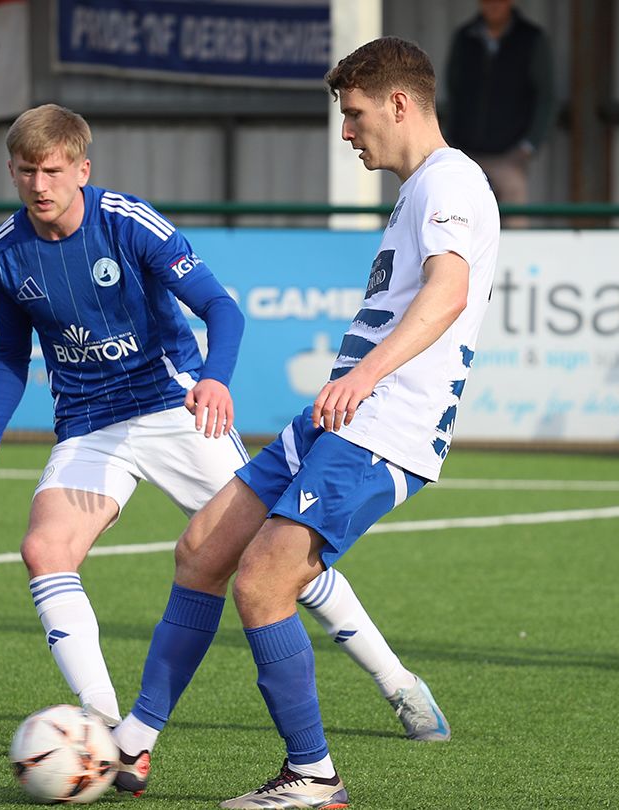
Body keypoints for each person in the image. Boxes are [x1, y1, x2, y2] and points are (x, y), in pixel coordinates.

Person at [0, 104, 443, 736]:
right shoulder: (2, 255)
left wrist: (213, 378)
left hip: (176, 411)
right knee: (44, 549)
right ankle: (100, 722)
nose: (39, 185)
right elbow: (8, 354)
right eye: (26, 172)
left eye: (52, 170)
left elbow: (221, 307)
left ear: (83, 168)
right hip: (89, 425)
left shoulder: (128, 224)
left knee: (277, 558)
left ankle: (397, 683)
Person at [110, 38, 500, 807]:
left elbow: (449, 292)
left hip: (382, 429)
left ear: (399, 103)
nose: (347, 132)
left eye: (354, 115)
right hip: (337, 419)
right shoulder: (419, 188)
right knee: (200, 552)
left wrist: (364, 374)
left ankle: (313, 776)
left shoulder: (453, 182)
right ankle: (132, 743)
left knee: (263, 582)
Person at [444, 0, 555, 224]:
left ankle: (515, 259)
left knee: (514, 214)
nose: (493, 5)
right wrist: (449, 138)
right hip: (465, 149)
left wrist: (529, 144)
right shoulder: (465, 37)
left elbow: (546, 96)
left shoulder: (531, 38)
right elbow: (452, 89)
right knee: (455, 213)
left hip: (509, 154)